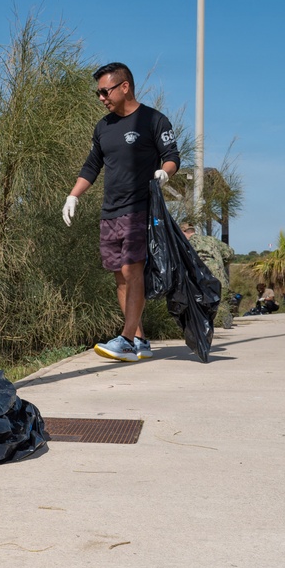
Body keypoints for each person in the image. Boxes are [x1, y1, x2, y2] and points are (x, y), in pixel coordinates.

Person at [62, 62, 181, 362]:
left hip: (140, 208)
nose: (101, 97)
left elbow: (172, 157)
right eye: (98, 93)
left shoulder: (153, 120)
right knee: (120, 276)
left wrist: (164, 173)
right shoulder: (103, 127)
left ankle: (126, 339)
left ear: (124, 87)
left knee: (132, 270)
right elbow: (92, 166)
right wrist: (73, 196)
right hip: (110, 212)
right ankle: (139, 338)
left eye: (105, 91)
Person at [181, 222, 235, 328]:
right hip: (219, 275)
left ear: (183, 232)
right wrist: (220, 264)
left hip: (202, 277)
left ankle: (208, 321)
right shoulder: (211, 240)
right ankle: (225, 317)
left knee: (203, 300)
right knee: (222, 298)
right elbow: (230, 253)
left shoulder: (186, 244)